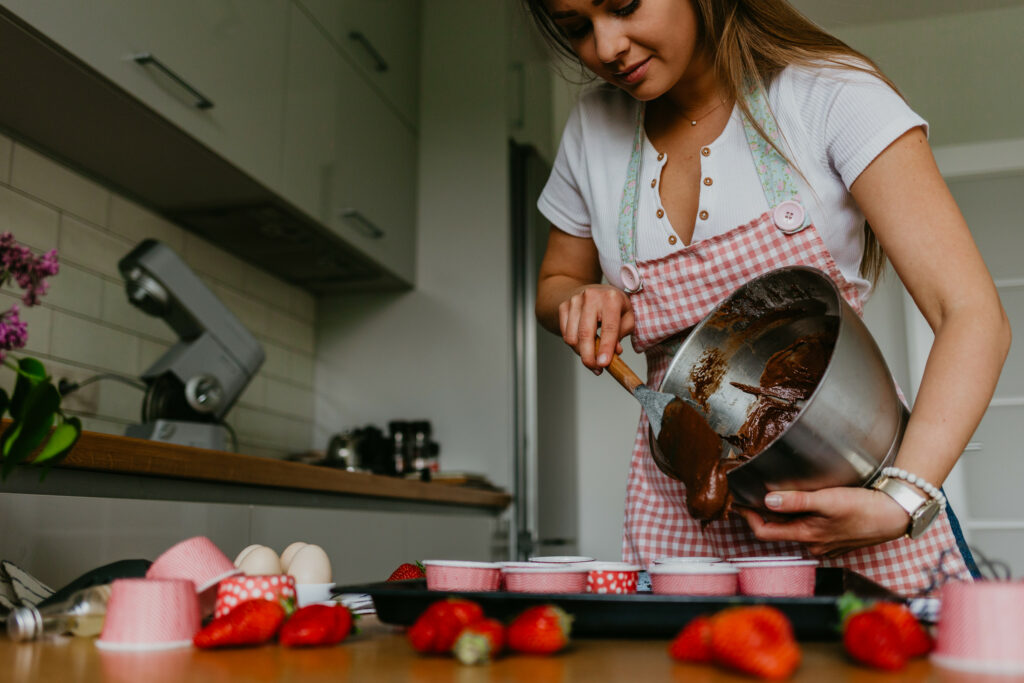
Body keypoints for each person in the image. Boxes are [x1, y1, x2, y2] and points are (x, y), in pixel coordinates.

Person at [527, 0, 1011, 596]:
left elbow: (970, 314)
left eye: (625, 6)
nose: (606, 47)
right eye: (577, 28)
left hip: (853, 490)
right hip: (681, 521)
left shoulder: (829, 94)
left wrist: (901, 499)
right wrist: (580, 298)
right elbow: (555, 284)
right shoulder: (591, 127)